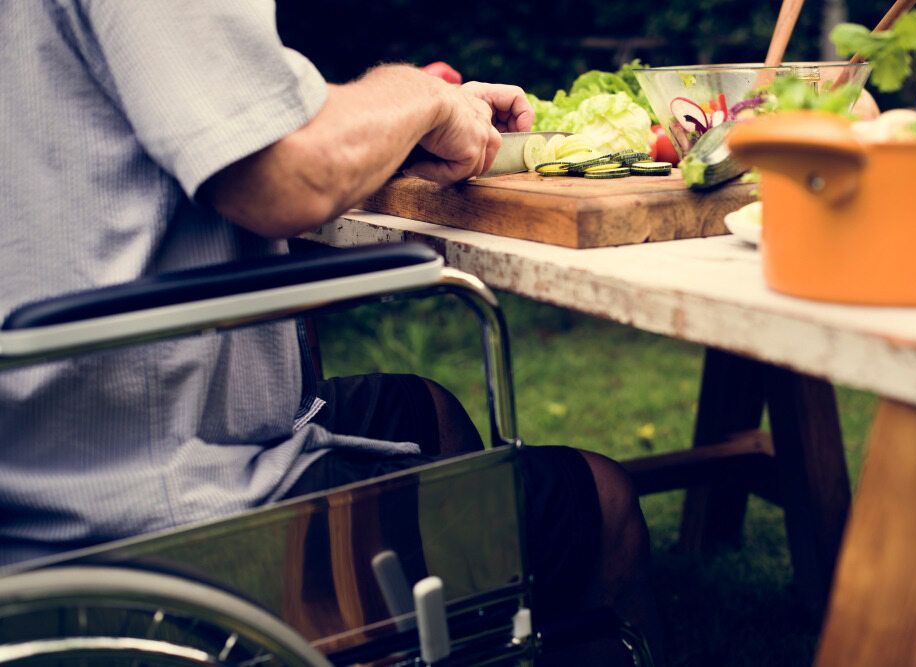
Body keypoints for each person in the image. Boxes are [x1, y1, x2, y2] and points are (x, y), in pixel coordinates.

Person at [0, 0, 659, 660]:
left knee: (422, 412)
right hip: (138, 508)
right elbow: (289, 175)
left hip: (48, 444)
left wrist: (394, 126)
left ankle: (436, 637)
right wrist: (417, 98)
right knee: (600, 499)